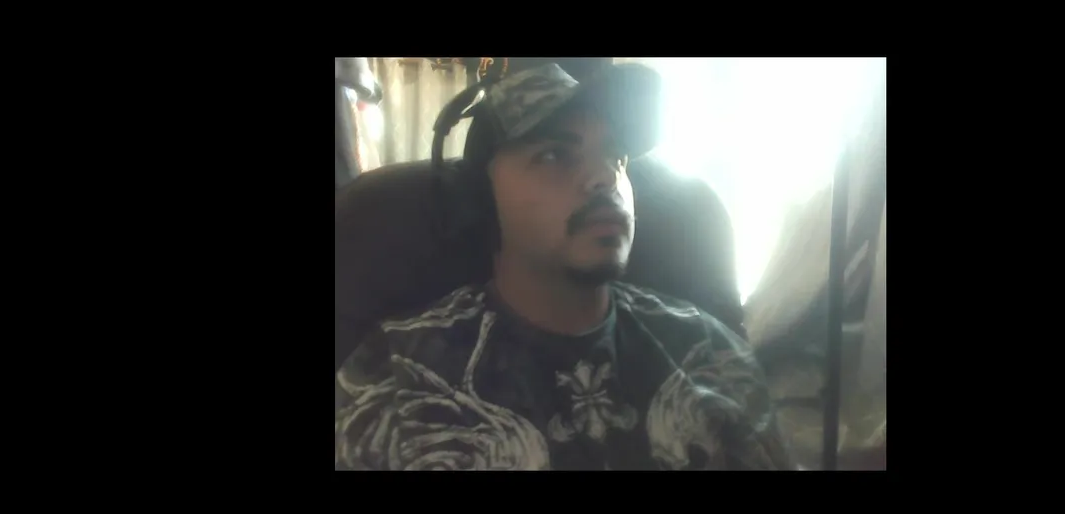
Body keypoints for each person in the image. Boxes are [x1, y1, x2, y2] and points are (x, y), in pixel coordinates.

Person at [334, 62, 793, 471]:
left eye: (616, 156)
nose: (605, 176)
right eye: (554, 155)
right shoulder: (396, 379)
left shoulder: (711, 354)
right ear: (481, 201)